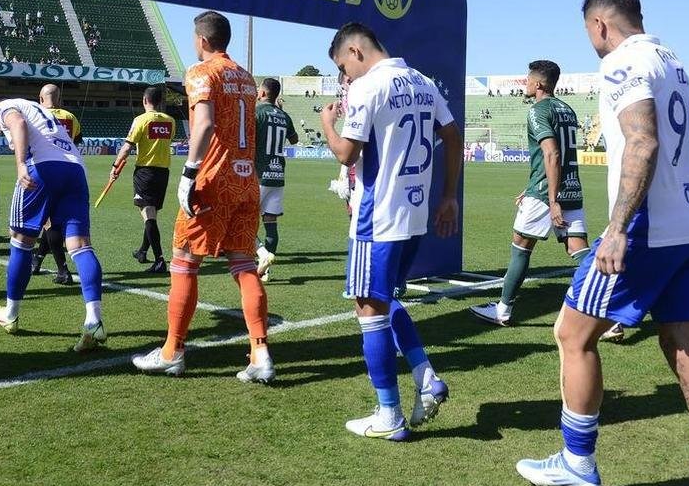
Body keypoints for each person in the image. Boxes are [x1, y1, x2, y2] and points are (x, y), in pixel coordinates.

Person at [516, 0, 689, 486]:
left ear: (600, 24)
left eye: (589, 32)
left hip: (647, 229)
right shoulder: (674, 61)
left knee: (572, 335)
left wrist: (618, 228)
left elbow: (643, 142)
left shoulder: (622, 62)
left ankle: (578, 461)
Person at [320, 22, 461, 440]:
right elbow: (452, 136)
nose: (345, 77)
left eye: (343, 67)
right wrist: (448, 196)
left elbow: (346, 154)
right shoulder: (421, 81)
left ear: (355, 51)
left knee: (368, 308)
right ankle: (426, 377)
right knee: (384, 299)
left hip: (376, 217)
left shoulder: (369, 86)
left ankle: (389, 415)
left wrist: (328, 123)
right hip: (414, 215)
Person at [132, 11, 272, 382]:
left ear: (203, 40)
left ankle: (172, 351)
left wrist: (190, 172)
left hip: (212, 181)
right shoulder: (246, 77)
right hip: (246, 181)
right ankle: (260, 353)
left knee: (183, 260)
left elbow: (206, 123)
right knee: (243, 265)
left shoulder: (200, 72)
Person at [470, 60, 595, 329]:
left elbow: (552, 154)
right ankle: (608, 312)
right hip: (572, 188)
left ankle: (503, 310)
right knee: (578, 248)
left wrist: (551, 200)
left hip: (547, 194)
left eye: (527, 80)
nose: (525, 84)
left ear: (538, 84)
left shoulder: (538, 110)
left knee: (521, 246)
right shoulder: (568, 109)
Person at [0, 97, 108, 352]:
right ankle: (94, 321)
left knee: (20, 239)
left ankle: (10, 314)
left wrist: (21, 164)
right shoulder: (39, 109)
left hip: (41, 167)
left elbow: (17, 123)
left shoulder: (3, 107)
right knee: (80, 245)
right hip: (75, 170)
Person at [112, 85, 176, 275]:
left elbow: (127, 147)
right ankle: (142, 251)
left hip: (145, 172)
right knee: (152, 212)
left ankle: (159, 260)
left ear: (145, 100)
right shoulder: (170, 121)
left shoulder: (141, 120)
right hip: (163, 172)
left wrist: (115, 167)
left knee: (148, 214)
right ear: (160, 101)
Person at [34, 83, 82, 285]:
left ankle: (63, 271)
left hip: (47, 171)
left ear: (40, 99)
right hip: (71, 170)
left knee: (49, 222)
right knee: (55, 219)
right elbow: (76, 142)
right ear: (60, 99)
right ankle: (37, 260)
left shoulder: (36, 115)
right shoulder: (70, 117)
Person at [254, 77, 299, 281]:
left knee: (242, 222)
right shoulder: (284, 115)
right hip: (278, 174)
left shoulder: (257, 113)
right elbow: (294, 139)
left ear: (263, 93)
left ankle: (261, 254)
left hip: (258, 174)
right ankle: (266, 271)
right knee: (270, 223)